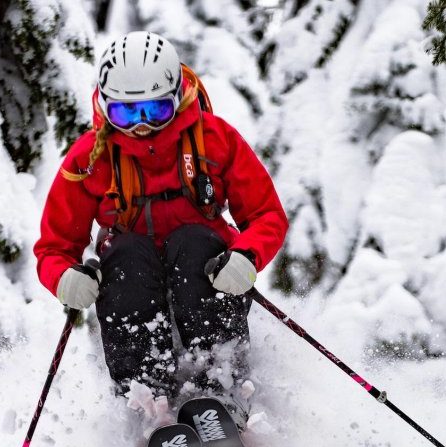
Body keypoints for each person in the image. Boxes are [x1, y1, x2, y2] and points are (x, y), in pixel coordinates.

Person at [34, 30, 288, 426]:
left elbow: (266, 215)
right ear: (105, 106)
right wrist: (65, 278)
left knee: (193, 240)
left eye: (153, 110)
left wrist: (246, 256)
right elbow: (54, 245)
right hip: (132, 281)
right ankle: (144, 398)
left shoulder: (215, 140)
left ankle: (222, 386)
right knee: (125, 254)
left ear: (177, 97)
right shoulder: (90, 157)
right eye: (125, 113)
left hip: (203, 273)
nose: (140, 126)